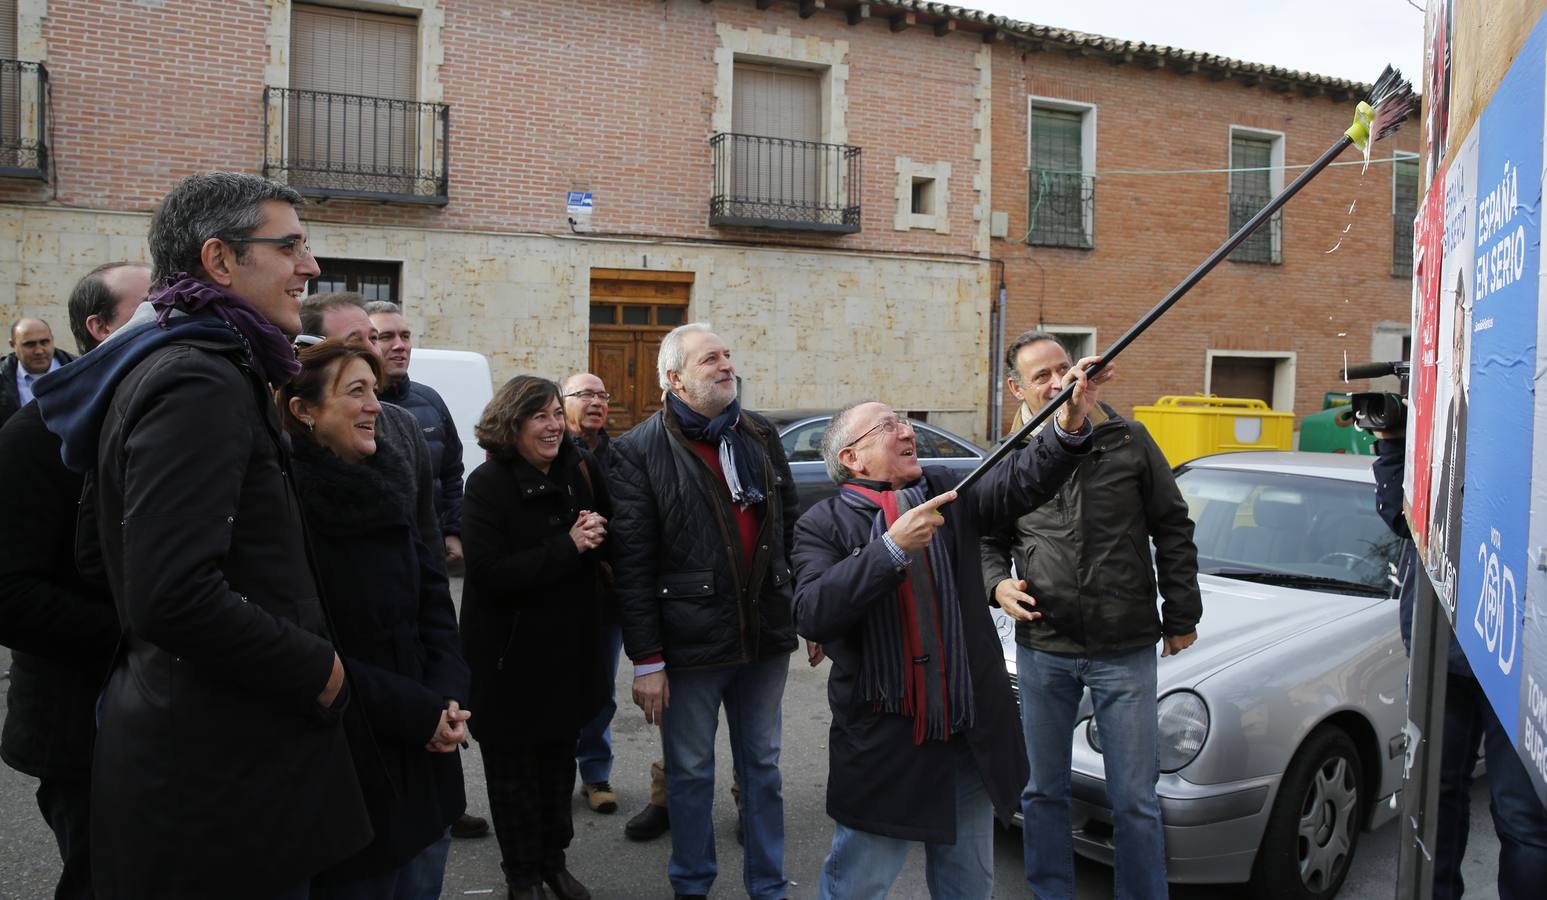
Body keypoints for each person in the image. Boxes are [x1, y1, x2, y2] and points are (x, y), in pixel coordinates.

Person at [37, 172, 371, 899]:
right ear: (219, 261)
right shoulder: (197, 379)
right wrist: (320, 668)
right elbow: (171, 595)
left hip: (208, 757)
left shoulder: (175, 363)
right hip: (222, 779)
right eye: (289, 247)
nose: (309, 268)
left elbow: (101, 554)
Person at [791, 353, 1106, 900]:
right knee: (859, 883)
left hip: (969, 731)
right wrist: (890, 549)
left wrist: (1069, 423)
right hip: (887, 742)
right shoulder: (822, 523)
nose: (905, 429)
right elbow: (814, 611)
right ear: (852, 457)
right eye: (886, 426)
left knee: (968, 884)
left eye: (903, 420)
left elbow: (1021, 481)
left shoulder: (946, 492)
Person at [982, 332, 1200, 899]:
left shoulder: (1127, 439)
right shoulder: (1010, 457)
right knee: (1042, 791)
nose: (1056, 383)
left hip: (1123, 647)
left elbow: (1172, 526)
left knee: (1135, 798)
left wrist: (1181, 613)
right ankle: (1050, 892)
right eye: (1041, 376)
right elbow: (985, 535)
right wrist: (996, 583)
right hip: (1042, 648)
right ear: (1016, 388)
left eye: (1063, 369)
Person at [608, 323, 801, 900]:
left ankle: (768, 886)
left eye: (727, 355)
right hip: (690, 644)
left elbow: (787, 528)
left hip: (764, 632)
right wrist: (646, 660)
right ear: (674, 379)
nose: (726, 365)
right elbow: (633, 564)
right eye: (710, 359)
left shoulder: (759, 433)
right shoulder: (637, 450)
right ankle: (691, 885)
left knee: (762, 769)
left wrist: (804, 609)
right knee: (690, 773)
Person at [278, 338, 472, 899]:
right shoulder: (286, 506)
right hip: (355, 751)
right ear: (304, 410)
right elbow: (314, 644)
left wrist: (451, 693)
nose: (374, 406)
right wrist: (419, 713)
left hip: (429, 737)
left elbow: (434, 596)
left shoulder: (389, 476)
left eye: (376, 390)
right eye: (355, 391)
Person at [0, 262, 151, 900]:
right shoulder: (33, 438)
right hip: (78, 732)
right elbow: (11, 596)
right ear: (99, 327)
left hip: (167, 727)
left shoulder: (166, 419)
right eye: (151, 313)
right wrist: (144, 638)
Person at [1370, 421, 1547, 900]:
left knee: (1522, 816)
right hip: (1440, 650)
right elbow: (1401, 515)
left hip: (1518, 656)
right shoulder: (1445, 412)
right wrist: (1392, 443)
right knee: (1433, 799)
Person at [460, 375, 611, 900]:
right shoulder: (488, 484)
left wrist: (598, 531)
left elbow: (610, 535)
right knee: (512, 780)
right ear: (512, 423)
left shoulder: (579, 470)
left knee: (555, 773)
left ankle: (553, 863)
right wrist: (568, 545)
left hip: (567, 655)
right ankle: (521, 876)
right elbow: (487, 573)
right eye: (538, 416)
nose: (551, 427)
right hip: (508, 661)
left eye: (554, 414)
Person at [561, 372, 625, 817]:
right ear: (562, 402)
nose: (597, 402)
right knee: (557, 684)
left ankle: (595, 773)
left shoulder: (621, 455)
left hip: (607, 591)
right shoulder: (546, 449)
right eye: (585, 394)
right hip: (558, 587)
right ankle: (555, 773)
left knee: (601, 686)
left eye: (603, 395)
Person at [367, 300, 466, 565]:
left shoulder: (431, 400)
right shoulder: (349, 405)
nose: (400, 345)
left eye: (405, 336)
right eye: (386, 337)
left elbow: (452, 473)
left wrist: (453, 530)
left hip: (428, 551)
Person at [2, 317, 74, 426]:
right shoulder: (2, 378)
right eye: (30, 344)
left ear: (52, 339)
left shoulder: (79, 371)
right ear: (13, 344)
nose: (39, 351)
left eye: (44, 342)